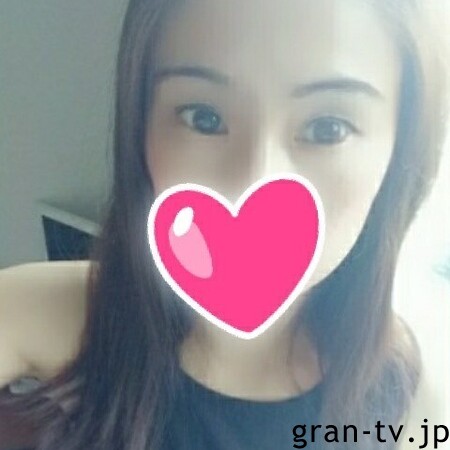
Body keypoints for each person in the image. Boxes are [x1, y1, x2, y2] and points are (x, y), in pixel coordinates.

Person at [0, 0, 448, 449]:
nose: (254, 182)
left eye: (328, 128)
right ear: (141, 129)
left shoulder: (415, 406)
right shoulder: (48, 313)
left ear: (400, 152)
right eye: (204, 118)